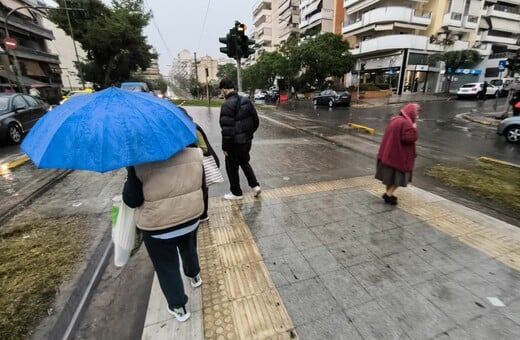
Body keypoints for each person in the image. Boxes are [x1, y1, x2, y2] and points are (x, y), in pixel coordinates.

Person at [122, 146, 204, 322]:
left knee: (166, 266)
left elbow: (132, 199)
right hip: (191, 217)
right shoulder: (195, 154)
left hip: (158, 228)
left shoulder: (138, 164)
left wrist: (129, 176)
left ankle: (178, 307)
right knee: (189, 246)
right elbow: (201, 186)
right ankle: (194, 275)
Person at [218, 78, 261, 200]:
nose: (221, 93)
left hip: (233, 144)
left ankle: (236, 193)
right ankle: (255, 185)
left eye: (221, 90)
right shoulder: (246, 101)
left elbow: (227, 130)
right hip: (246, 142)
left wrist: (225, 148)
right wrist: (248, 135)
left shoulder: (227, 105)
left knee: (231, 167)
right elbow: (256, 121)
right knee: (244, 162)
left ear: (225, 90)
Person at [178, 106, 220, 221]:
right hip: (194, 164)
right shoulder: (183, 129)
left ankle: (203, 214)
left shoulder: (193, 128)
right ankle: (201, 213)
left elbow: (204, 149)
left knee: (202, 188)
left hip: (202, 163)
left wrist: (188, 148)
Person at [375, 103, 420, 205]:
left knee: (390, 179)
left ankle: (388, 194)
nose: (417, 117)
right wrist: (414, 128)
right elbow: (410, 138)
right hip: (399, 157)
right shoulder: (406, 123)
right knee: (399, 178)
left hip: (389, 154)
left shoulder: (396, 119)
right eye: (416, 114)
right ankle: (388, 195)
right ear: (412, 113)